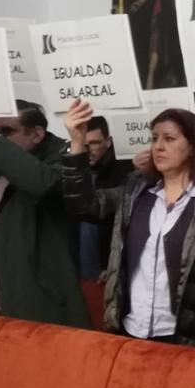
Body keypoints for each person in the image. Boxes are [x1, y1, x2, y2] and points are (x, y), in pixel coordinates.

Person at [59, 100, 195, 350]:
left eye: (169, 139)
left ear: (192, 147)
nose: (158, 146)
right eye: (155, 138)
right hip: (129, 330)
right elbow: (84, 205)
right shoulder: (135, 189)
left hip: (185, 337)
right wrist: (76, 142)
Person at [0, 101, 89, 328]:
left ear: (36, 134)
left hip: (34, 309)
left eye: (6, 131)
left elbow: (40, 183)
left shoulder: (61, 165)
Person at [76, 116, 133, 324]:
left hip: (107, 271)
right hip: (78, 270)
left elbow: (129, 224)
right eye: (84, 144)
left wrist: (115, 263)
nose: (88, 149)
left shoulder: (124, 172)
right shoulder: (73, 172)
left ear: (108, 142)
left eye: (94, 143)